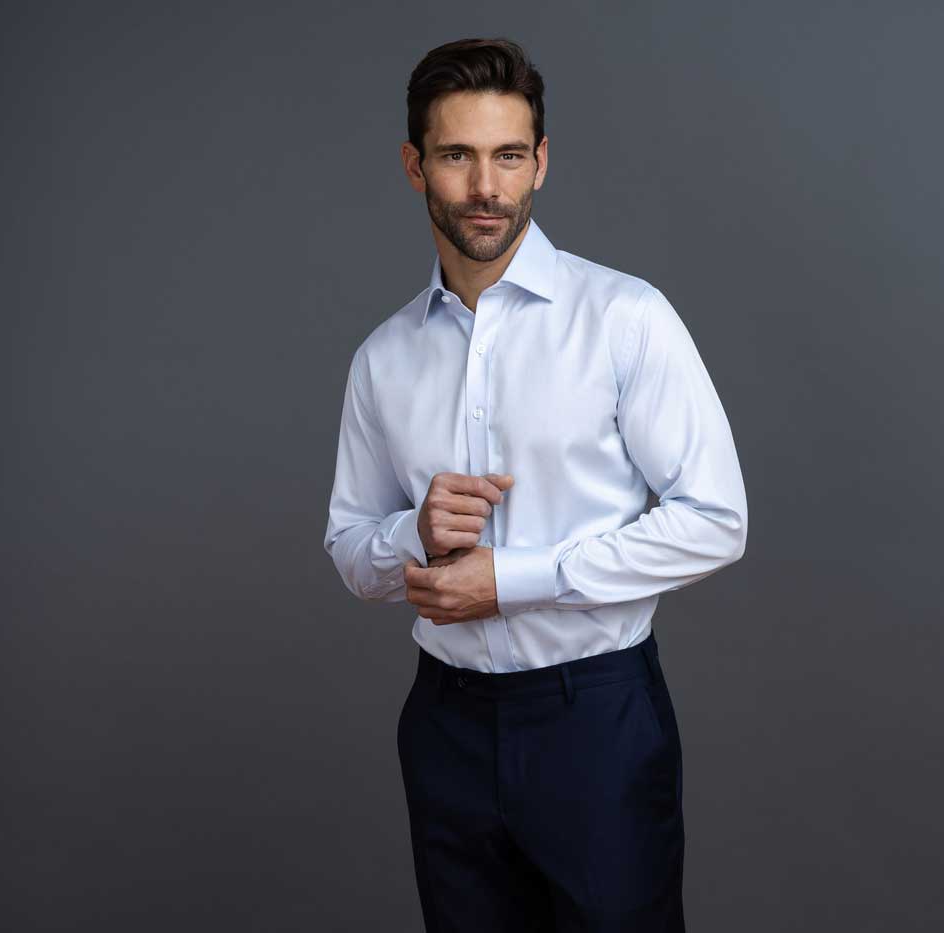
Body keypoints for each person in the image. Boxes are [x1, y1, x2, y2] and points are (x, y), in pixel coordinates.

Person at [323, 36, 747, 932]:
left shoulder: (624, 318)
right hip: (444, 722)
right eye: (457, 155)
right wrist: (413, 534)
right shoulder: (382, 358)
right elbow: (353, 553)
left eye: (508, 155)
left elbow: (715, 520)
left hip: (594, 719)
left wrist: (514, 578)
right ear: (414, 166)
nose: (486, 186)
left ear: (540, 163)